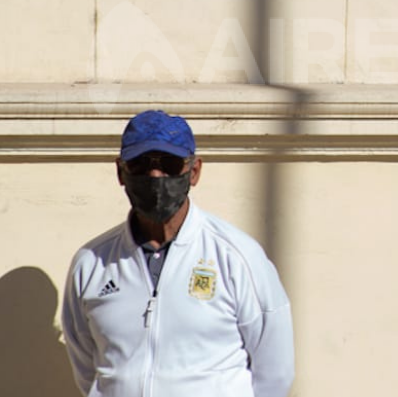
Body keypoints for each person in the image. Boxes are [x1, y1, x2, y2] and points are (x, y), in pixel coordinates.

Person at [61, 110, 294, 397]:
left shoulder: (236, 256)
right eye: (140, 164)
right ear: (121, 172)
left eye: (169, 164)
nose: (155, 176)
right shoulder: (92, 263)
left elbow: (275, 372)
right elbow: (87, 367)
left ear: (193, 172)